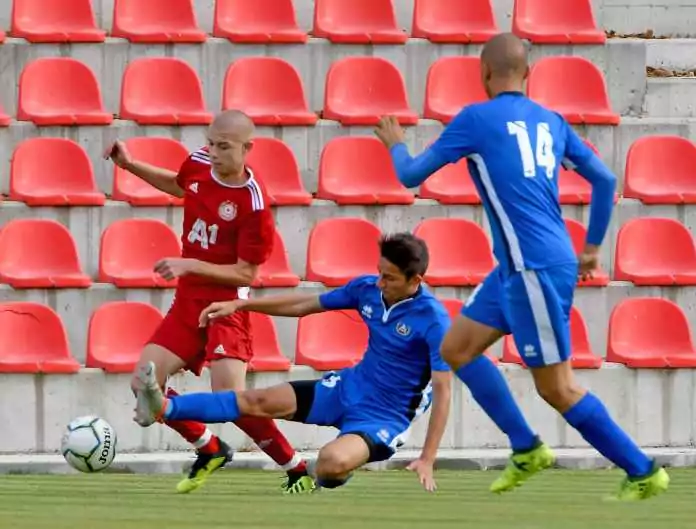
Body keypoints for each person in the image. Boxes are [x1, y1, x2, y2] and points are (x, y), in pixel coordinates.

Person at [373, 33, 670, 501]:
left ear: (483, 74)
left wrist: (394, 145)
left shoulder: (476, 118)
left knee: (559, 389)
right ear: (527, 75)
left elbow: (410, 176)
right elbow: (605, 178)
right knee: (456, 348)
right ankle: (525, 446)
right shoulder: (550, 120)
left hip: (533, 270)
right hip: (521, 266)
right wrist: (592, 247)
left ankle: (643, 470)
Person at [133, 233, 555, 492]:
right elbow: (304, 304)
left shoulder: (434, 321)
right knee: (256, 401)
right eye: (379, 272)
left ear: (416, 281)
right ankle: (165, 406)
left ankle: (340, 470)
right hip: (348, 388)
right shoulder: (367, 289)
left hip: (383, 418)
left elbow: (444, 393)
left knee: (328, 468)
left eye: (389, 277)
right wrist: (241, 306)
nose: (379, 282)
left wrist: (428, 457)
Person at [104, 110, 312, 495]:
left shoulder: (254, 203)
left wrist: (189, 263)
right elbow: (181, 185)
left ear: (247, 149)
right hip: (187, 301)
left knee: (230, 401)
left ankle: (297, 467)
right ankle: (208, 447)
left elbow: (247, 274)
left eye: (223, 146)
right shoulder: (199, 163)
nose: (213, 152)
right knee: (143, 382)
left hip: (226, 307)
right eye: (210, 142)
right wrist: (130, 165)